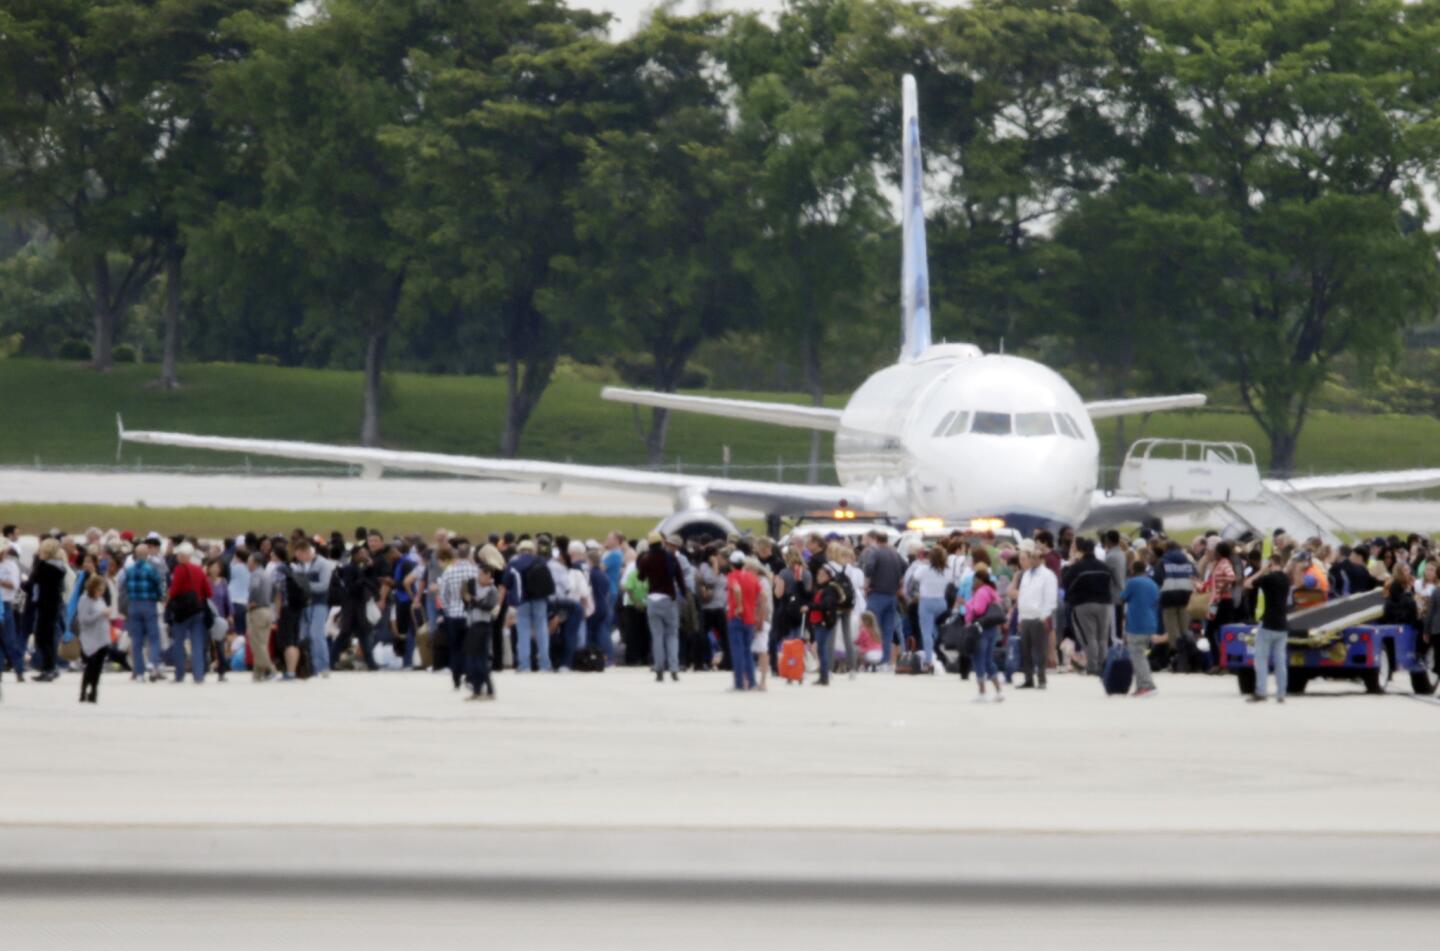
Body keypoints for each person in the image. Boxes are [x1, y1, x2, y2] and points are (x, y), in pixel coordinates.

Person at [636, 532, 686, 682]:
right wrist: (684, 594)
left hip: (653, 599)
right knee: (672, 634)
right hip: (668, 599)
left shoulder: (646, 559)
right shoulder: (671, 558)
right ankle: (674, 669)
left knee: (657, 636)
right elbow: (680, 578)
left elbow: (640, 577)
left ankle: (659, 669)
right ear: (662, 543)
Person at [1245, 552, 1292, 703]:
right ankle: (1281, 693)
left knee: (1261, 660)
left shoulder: (1268, 579)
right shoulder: (1285, 579)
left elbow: (1247, 583)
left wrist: (1262, 570)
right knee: (1280, 661)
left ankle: (1261, 691)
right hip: (1282, 625)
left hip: (1268, 624)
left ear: (1271, 563)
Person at [1063, 538, 1114, 676]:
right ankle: (1103, 666)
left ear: (1082, 550)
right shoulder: (1104, 567)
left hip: (1084, 604)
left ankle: (1092, 667)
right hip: (1105, 604)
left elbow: (1066, 582)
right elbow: (1112, 584)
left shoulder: (1078, 567)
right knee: (1102, 637)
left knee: (1089, 637)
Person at [166, 542, 213, 684]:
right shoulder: (199, 570)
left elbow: (174, 591)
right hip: (197, 610)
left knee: (178, 643)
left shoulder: (179, 569)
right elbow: (208, 592)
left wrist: (167, 601)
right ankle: (198, 675)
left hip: (182, 612)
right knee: (197, 644)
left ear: (182, 556)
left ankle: (180, 674)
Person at [1013, 542, 1057, 689]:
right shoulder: (1026, 575)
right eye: (1030, 557)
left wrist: (1044, 616)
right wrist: (1020, 617)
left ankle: (1042, 679)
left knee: (1040, 651)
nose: (1031, 560)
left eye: (1034, 557)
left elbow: (1050, 597)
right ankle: (1028, 678)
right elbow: (1022, 596)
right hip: (1026, 616)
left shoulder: (1047, 575)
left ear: (1041, 559)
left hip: (1039, 617)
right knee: (1025, 651)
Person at [507, 539, 553, 673]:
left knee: (523, 632)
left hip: (523, 600)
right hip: (540, 599)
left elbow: (508, 582)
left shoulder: (515, 563)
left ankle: (524, 664)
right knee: (542, 631)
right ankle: (545, 664)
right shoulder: (541, 561)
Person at [860, 531, 905, 666]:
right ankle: (884, 661)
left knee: (871, 627)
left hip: (877, 594)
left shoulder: (876, 553)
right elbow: (905, 567)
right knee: (888, 630)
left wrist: (868, 582)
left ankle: (871, 658)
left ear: (877, 541)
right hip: (891, 596)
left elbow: (869, 568)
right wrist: (897, 581)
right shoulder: (896, 554)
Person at [437, 544, 479, 689]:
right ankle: (469, 677)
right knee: (470, 648)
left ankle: (456, 679)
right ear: (469, 555)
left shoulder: (449, 571)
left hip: (454, 614)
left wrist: (448, 610)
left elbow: (443, 595)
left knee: (455, 648)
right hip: (471, 614)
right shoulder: (475, 570)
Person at [292, 539, 334, 677]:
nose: (297, 558)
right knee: (305, 636)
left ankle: (323, 665)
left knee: (317, 634)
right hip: (305, 604)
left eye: (299, 555)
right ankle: (311, 666)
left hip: (319, 603)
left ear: (306, 552)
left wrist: (306, 586)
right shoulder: (300, 565)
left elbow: (323, 586)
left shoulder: (323, 564)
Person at [963, 567, 1005, 703]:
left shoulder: (981, 592)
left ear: (980, 580)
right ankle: (998, 691)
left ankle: (982, 692)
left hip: (981, 629)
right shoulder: (992, 591)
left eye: (975, 579)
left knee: (978, 659)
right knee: (988, 660)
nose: (973, 582)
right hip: (992, 629)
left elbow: (979, 609)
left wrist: (968, 605)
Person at [1154, 541, 1197, 672]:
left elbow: (1157, 579)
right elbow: (1195, 576)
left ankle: (1177, 654)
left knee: (1172, 627)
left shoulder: (1163, 562)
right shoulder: (1188, 562)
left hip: (1168, 597)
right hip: (1186, 596)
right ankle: (1188, 654)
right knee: (1184, 627)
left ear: (1166, 548)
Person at [29, 537, 67, 682]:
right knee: (48, 637)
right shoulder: (59, 566)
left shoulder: (45, 567)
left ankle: (49, 667)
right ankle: (49, 667)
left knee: (42, 637)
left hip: (46, 605)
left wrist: (37, 560)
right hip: (53, 604)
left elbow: (33, 579)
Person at [1121, 561, 1161, 698]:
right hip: (1151, 623)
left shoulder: (1133, 582)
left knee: (1137, 656)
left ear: (1132, 569)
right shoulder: (1153, 584)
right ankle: (1140, 686)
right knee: (1141, 655)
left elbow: (1122, 597)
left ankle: (1147, 685)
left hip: (1136, 623)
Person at [910, 545, 951, 670]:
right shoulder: (947, 571)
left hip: (926, 602)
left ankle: (929, 660)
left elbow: (915, 577)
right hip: (942, 602)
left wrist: (923, 563)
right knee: (935, 627)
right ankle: (938, 644)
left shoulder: (924, 569)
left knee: (926, 632)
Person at [463, 563, 499, 701]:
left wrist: (473, 600)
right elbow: (469, 604)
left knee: (481, 661)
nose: (479, 577)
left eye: (482, 574)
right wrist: (467, 598)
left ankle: (489, 690)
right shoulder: (475, 587)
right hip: (473, 625)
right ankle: (477, 690)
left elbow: (488, 606)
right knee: (472, 659)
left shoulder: (492, 590)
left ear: (489, 576)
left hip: (483, 626)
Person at [725, 551, 761, 691]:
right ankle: (751, 682)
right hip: (750, 618)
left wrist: (739, 606)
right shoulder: (752, 577)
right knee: (747, 651)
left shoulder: (732, 576)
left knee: (737, 651)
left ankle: (739, 683)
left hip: (737, 617)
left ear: (732, 564)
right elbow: (762, 594)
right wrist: (758, 612)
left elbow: (736, 588)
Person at [75, 574, 112, 703]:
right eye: (99, 590)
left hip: (102, 638)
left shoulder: (100, 600)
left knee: (98, 668)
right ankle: (83, 690)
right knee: (90, 666)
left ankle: (94, 691)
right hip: (90, 638)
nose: (101, 593)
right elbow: (84, 620)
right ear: (93, 588)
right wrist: (100, 614)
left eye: (103, 590)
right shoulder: (84, 599)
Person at [807, 563, 844, 686]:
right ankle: (823, 675)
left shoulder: (830, 590)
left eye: (822, 575)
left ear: (828, 577)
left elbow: (826, 605)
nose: (819, 577)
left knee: (821, 649)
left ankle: (824, 676)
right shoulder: (822, 588)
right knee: (820, 649)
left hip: (824, 622)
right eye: (818, 574)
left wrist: (810, 607)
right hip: (818, 622)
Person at [245, 551, 279, 681]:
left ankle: (270, 669)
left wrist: (251, 601)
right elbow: (275, 589)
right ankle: (257, 674)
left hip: (257, 611)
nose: (248, 564)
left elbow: (254, 587)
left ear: (254, 563)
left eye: (249, 561)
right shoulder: (267, 574)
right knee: (262, 643)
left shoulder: (256, 574)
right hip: (267, 610)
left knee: (256, 644)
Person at [0, 541, 23, 681]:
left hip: (5, 604)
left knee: (10, 640)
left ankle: (19, 669)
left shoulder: (11, 565)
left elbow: (14, 585)